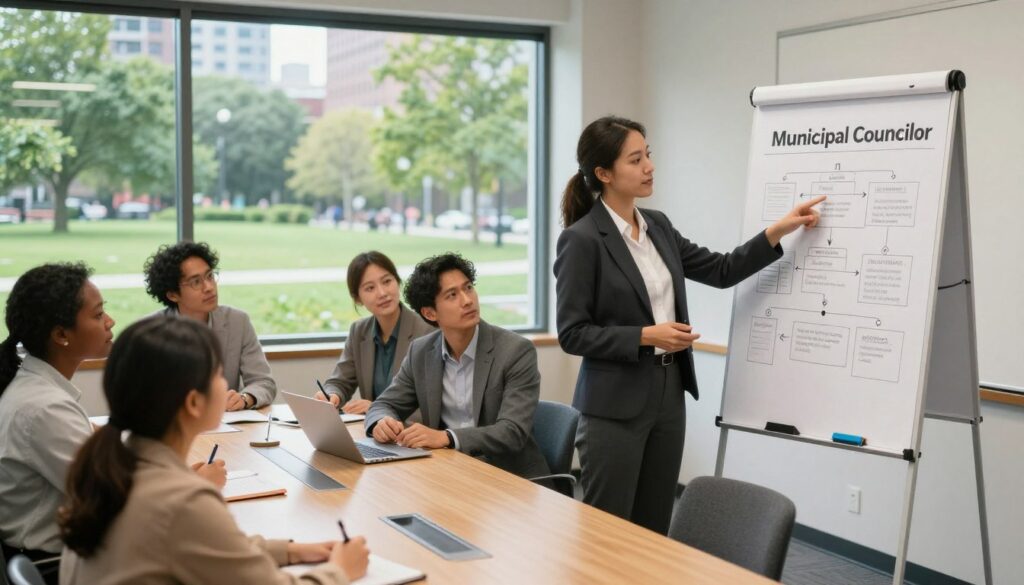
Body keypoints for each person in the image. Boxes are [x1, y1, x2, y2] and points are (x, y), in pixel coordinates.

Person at [553, 116, 823, 534]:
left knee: (655, 526)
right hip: (612, 406)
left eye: (649, 155)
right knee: (608, 533)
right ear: (604, 174)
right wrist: (646, 336)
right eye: (636, 159)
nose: (649, 167)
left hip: (668, 393)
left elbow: (721, 269)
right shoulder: (582, 240)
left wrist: (778, 230)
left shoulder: (657, 225)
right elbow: (572, 333)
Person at [57, 316, 370, 585]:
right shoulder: (182, 501)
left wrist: (290, 551)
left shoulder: (116, 465)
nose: (226, 384)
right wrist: (339, 570)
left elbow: (204, 546)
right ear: (193, 403)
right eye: (218, 375)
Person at [364, 253, 549, 480]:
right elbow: (383, 404)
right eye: (452, 295)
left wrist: (446, 437)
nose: (467, 300)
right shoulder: (420, 352)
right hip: (449, 472)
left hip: (509, 477)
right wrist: (381, 422)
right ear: (430, 313)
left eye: (468, 288)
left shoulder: (516, 351)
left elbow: (512, 433)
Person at [0, 263, 115, 581]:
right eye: (97, 314)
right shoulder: (43, 408)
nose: (110, 322)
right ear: (61, 335)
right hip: (54, 565)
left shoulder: (39, 388)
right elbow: (110, 497)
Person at [144, 241, 276, 411]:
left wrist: (244, 398)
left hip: (226, 426)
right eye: (196, 282)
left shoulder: (238, 321)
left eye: (209, 276)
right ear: (172, 294)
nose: (209, 288)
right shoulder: (151, 331)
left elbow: (264, 382)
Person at [315, 251, 434, 415]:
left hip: (411, 433)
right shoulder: (359, 331)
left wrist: (377, 410)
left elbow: (430, 405)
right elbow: (340, 381)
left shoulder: (427, 331)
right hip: (373, 434)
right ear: (357, 298)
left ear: (397, 281)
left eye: (387, 281)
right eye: (370, 288)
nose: (382, 293)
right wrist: (331, 394)